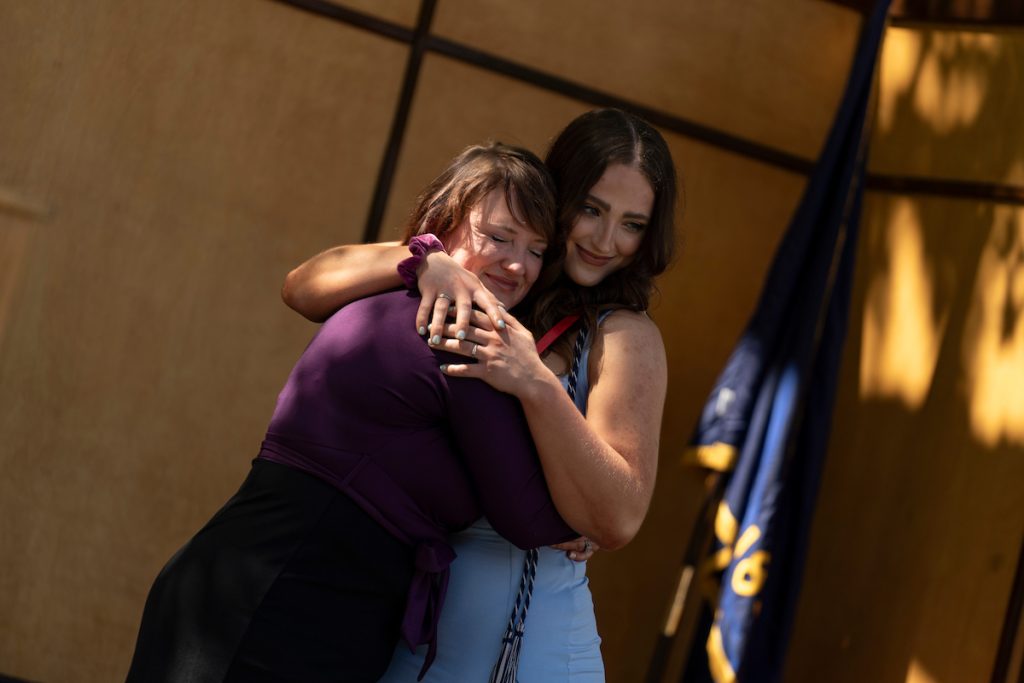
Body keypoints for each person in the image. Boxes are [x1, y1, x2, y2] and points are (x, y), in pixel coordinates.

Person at [125, 142, 591, 683]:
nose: (519, 264)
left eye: (537, 249)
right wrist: (586, 501)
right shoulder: (458, 330)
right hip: (284, 608)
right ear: (444, 224)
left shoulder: (389, 293)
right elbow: (529, 516)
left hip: (265, 595)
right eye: (499, 237)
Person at [280, 108, 678, 681]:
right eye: (591, 210)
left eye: (632, 224)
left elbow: (617, 519)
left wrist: (536, 382)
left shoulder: (625, 335)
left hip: (528, 650)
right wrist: (426, 261)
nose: (605, 240)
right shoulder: (486, 279)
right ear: (556, 197)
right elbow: (302, 287)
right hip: (409, 638)